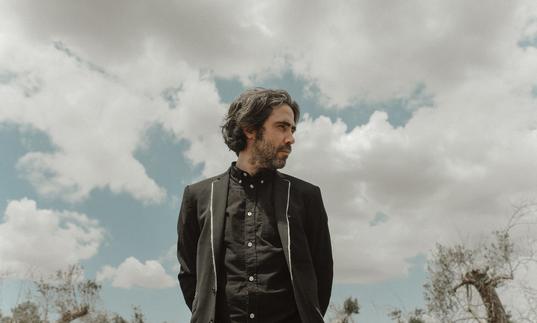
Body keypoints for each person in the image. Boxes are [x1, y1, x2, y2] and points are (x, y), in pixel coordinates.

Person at [177, 88, 333, 323]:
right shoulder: (198, 196)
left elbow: (322, 276)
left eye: (292, 129)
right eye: (282, 127)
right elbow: (190, 276)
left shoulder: (306, 196)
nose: (290, 138)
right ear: (249, 129)